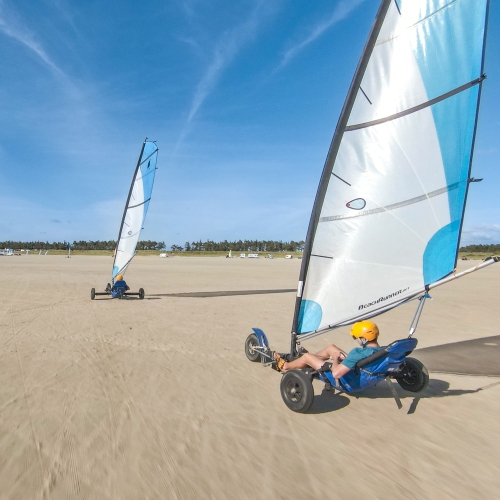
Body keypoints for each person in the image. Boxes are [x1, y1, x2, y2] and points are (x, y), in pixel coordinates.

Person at [273, 320, 382, 379]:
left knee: (306, 356)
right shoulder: (382, 351)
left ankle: (287, 366)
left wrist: (335, 359)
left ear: (363, 339)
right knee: (331, 348)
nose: (355, 339)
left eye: (355, 337)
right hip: (361, 369)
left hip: (347, 377)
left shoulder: (357, 352)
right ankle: (308, 361)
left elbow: (336, 374)